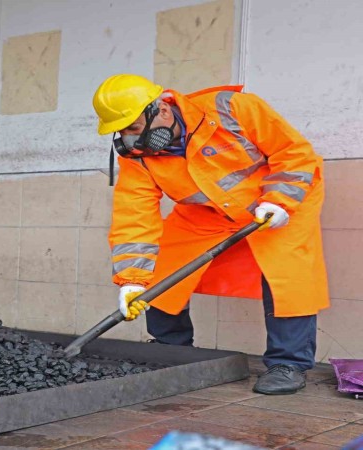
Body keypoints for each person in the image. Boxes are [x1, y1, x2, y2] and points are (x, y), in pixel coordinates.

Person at [92, 74, 328, 395]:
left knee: (288, 275)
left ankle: (288, 363)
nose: (131, 139)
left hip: (277, 201)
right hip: (209, 214)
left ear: (162, 109)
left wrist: (280, 200)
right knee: (162, 266)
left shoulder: (231, 109)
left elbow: (294, 152)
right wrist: (132, 280)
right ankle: (171, 351)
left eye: (133, 128)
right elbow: (134, 216)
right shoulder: (139, 158)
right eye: (122, 132)